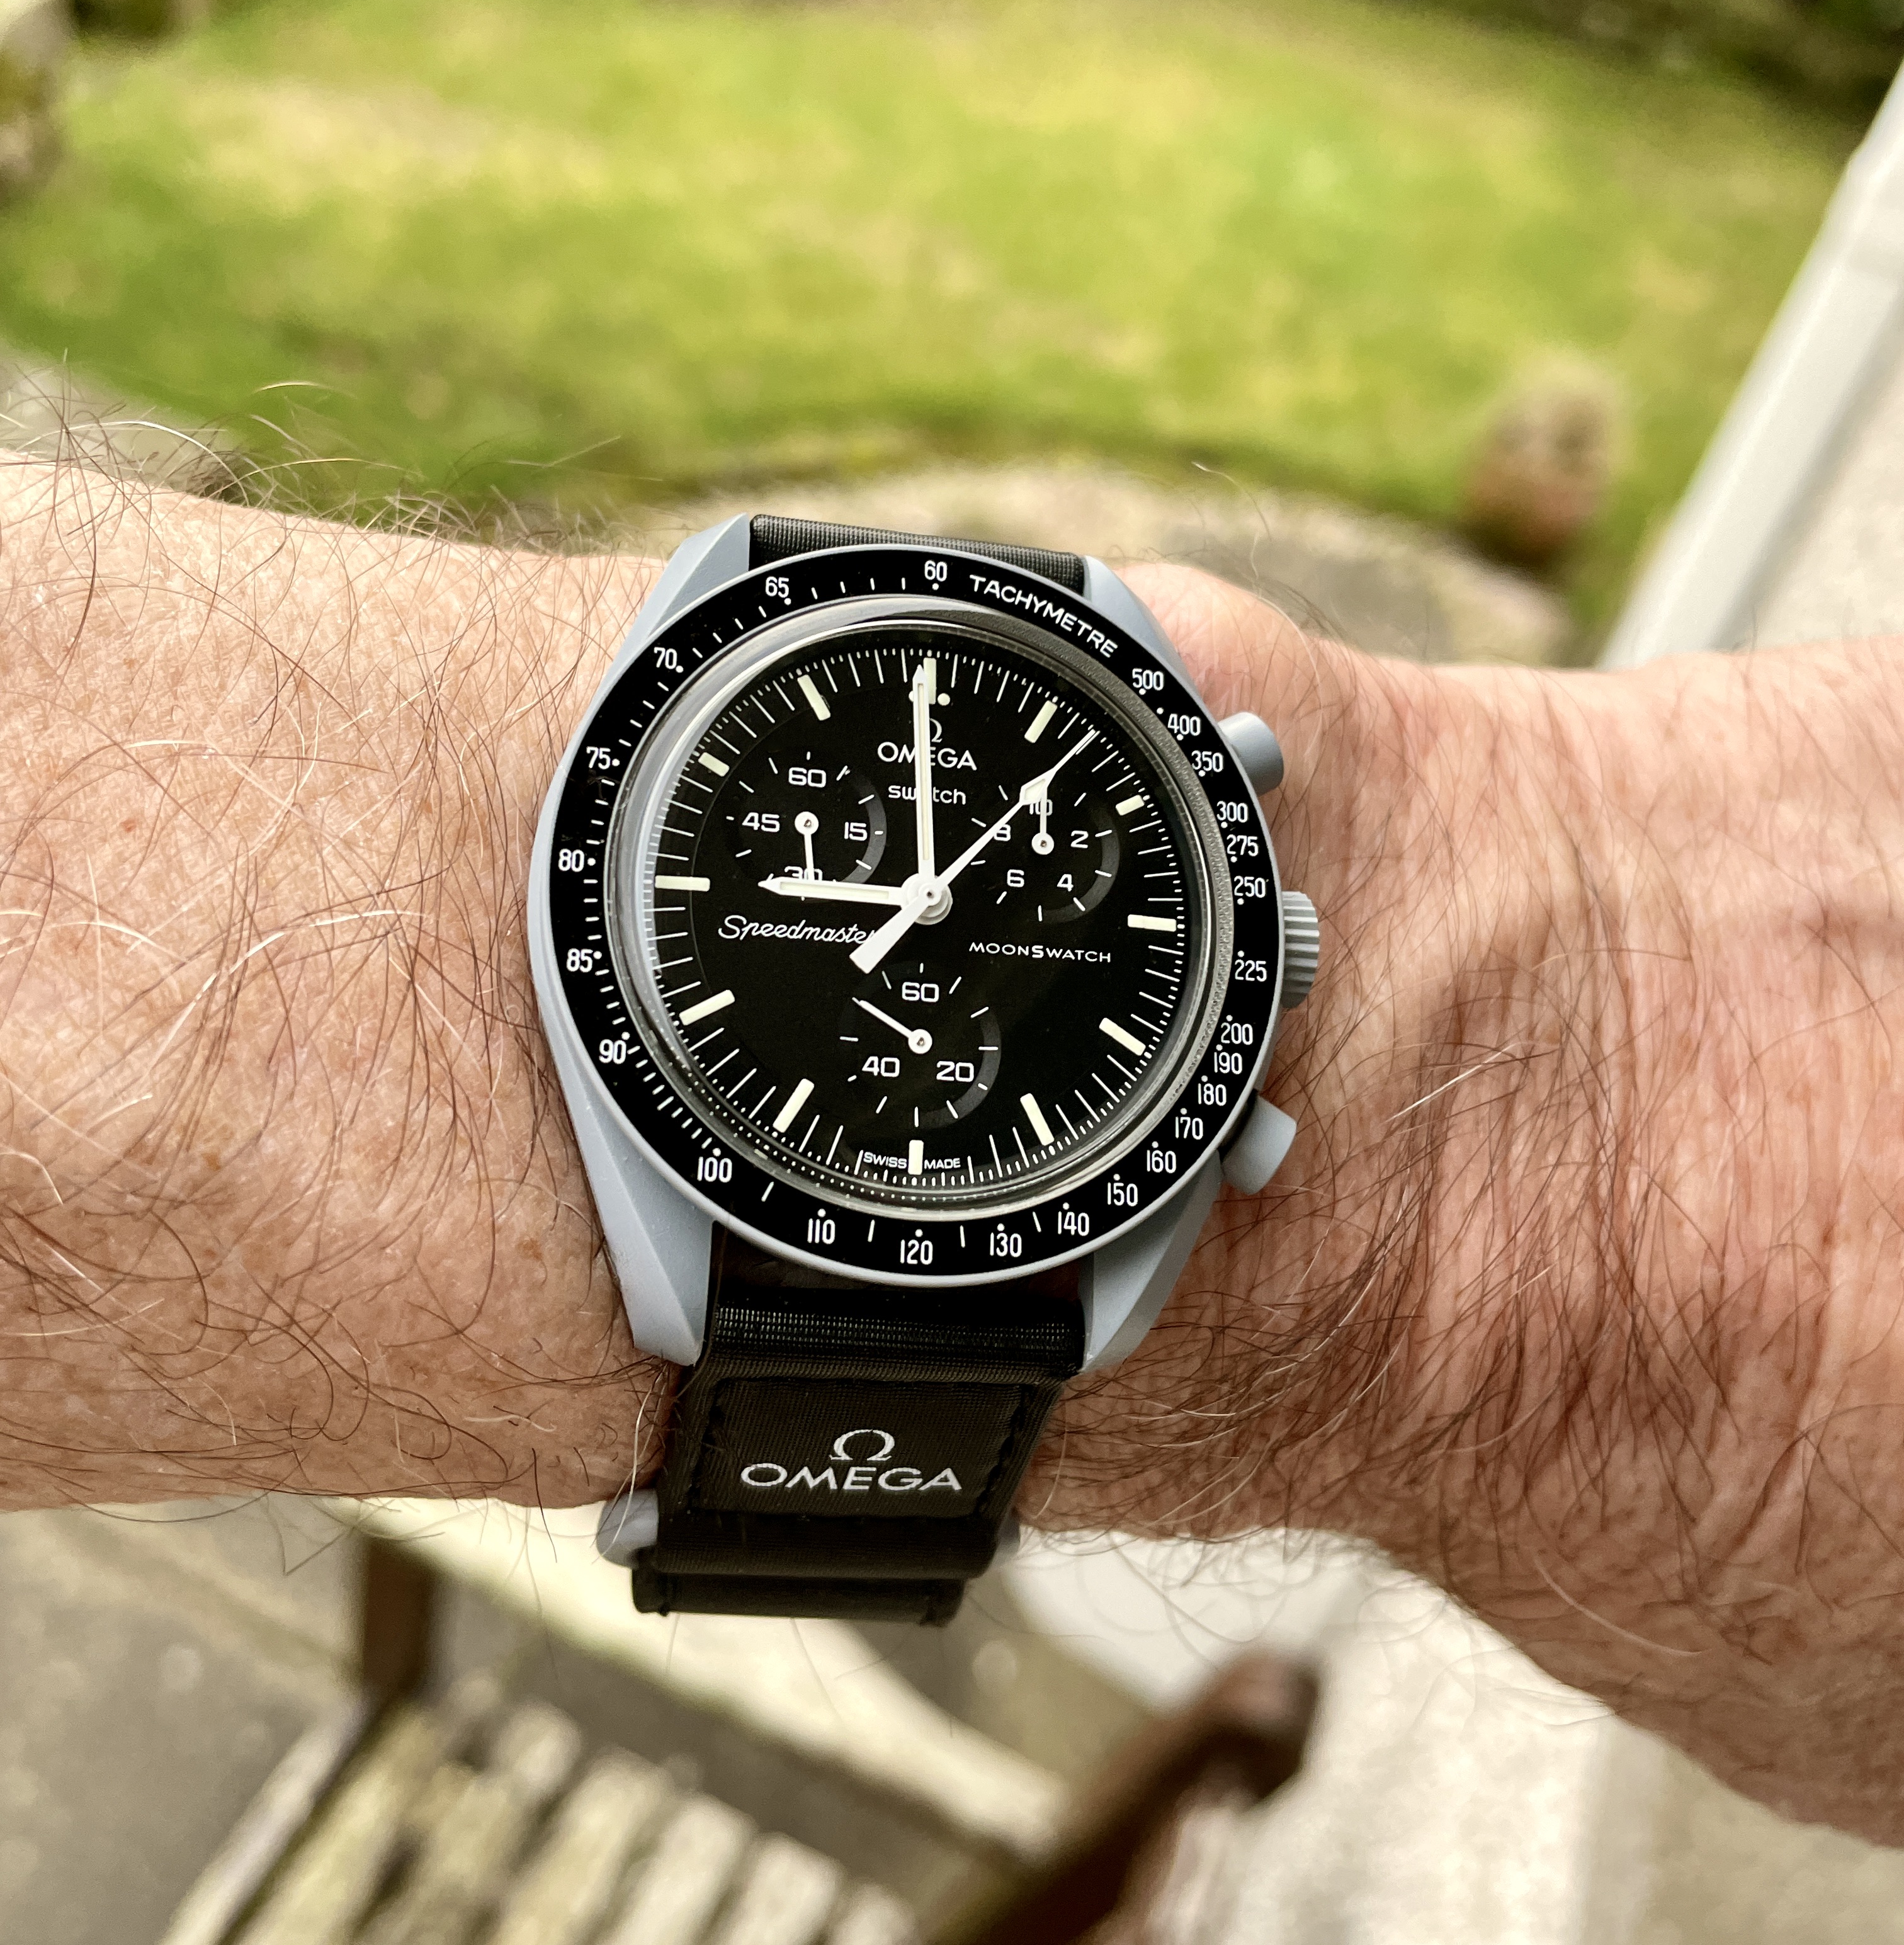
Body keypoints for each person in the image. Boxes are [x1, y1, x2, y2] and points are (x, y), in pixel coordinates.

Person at [3, 453, 1901, 1843]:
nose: (919, 918)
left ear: (1265, 945)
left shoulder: (1200, 956)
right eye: (885, 892)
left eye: (958, 893)